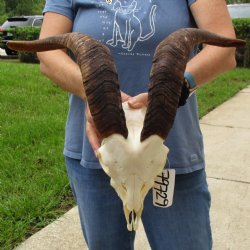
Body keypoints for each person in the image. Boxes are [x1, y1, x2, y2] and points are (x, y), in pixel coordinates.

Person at [38, 0, 237, 249]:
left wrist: (175, 89)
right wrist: (96, 95)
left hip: (172, 156)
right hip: (99, 153)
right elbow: (47, 50)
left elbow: (223, 48)